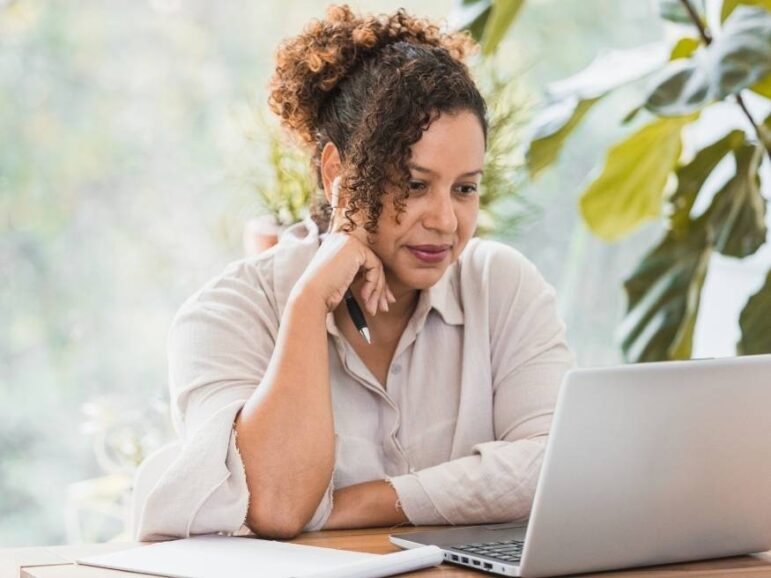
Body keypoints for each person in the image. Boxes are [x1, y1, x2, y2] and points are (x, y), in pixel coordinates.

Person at [134, 4, 573, 542]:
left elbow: (556, 464)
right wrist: (308, 304)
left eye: (465, 188)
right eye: (414, 184)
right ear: (337, 174)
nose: (444, 221)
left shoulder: (501, 286)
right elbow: (278, 505)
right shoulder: (226, 315)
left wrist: (357, 503)